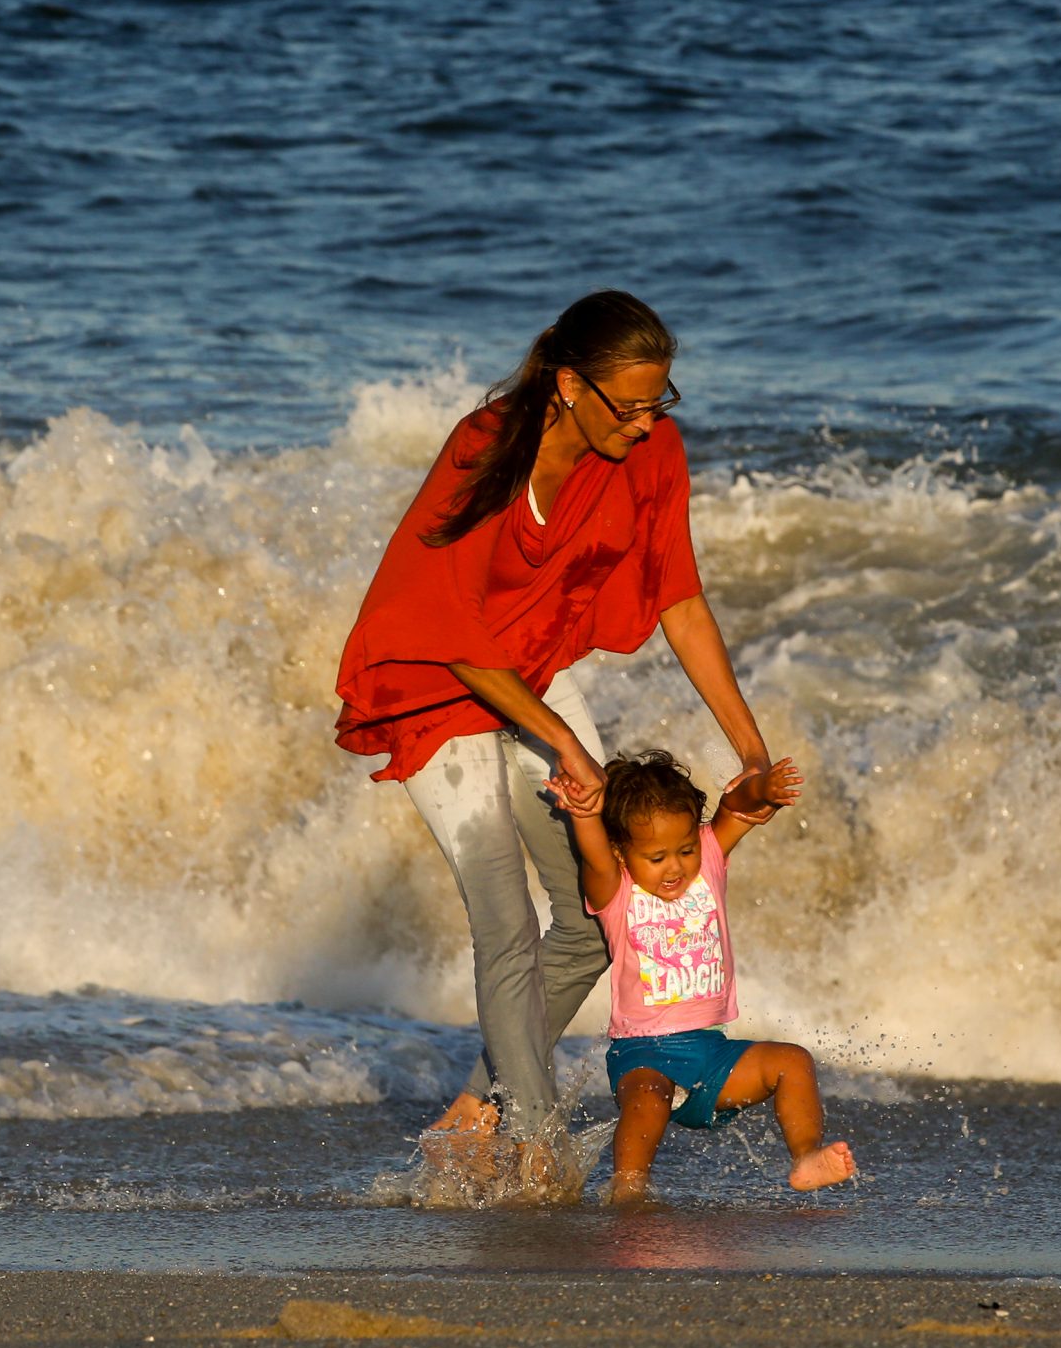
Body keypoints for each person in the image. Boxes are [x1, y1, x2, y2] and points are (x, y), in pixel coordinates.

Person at [334, 291, 784, 1197]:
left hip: (532, 672)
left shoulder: (649, 449)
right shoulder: (484, 446)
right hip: (435, 683)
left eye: (661, 401)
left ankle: (483, 1099)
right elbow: (456, 634)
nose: (646, 421)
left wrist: (750, 747)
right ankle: (539, 1151)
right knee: (503, 921)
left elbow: (681, 599)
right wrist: (564, 745)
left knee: (589, 918)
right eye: (628, 403)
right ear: (570, 383)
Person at [544, 749, 855, 1206]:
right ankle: (628, 1192)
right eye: (656, 857)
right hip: (642, 1052)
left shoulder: (708, 860)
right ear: (621, 852)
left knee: (793, 1060)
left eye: (685, 850)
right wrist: (586, 814)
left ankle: (806, 1156)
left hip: (711, 1053)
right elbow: (593, 852)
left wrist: (761, 790)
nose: (675, 866)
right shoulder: (616, 889)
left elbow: (734, 807)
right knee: (648, 1098)